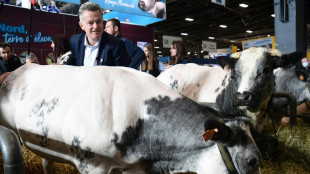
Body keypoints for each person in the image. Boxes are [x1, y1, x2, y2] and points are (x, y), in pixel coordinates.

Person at [67, 2, 130, 67]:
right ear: (81, 25)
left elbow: (122, 74)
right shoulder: (75, 41)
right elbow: (70, 67)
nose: (96, 26)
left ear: (102, 21)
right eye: (90, 23)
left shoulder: (117, 45)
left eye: (98, 21)